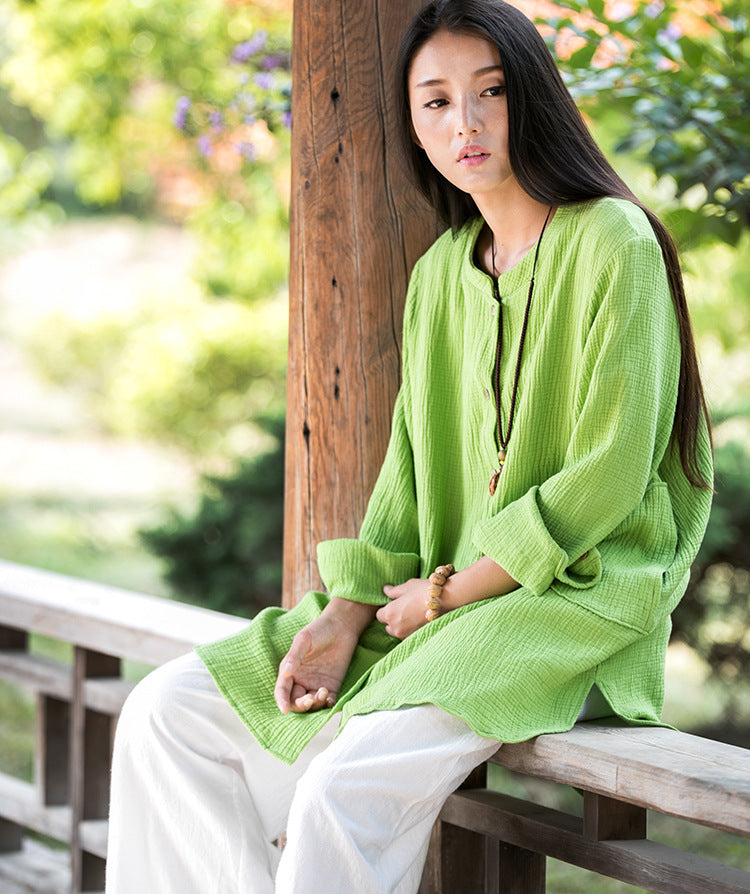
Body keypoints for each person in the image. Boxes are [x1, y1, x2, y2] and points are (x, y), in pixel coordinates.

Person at [105, 1, 713, 891]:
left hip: (574, 598)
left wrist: (448, 592)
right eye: (435, 102)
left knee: (338, 789)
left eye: (490, 92)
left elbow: (613, 471)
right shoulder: (441, 274)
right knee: (166, 713)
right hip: (438, 600)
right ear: (413, 126)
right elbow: (408, 477)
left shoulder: (611, 239)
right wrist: (342, 615)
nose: (464, 123)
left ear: (533, 98)